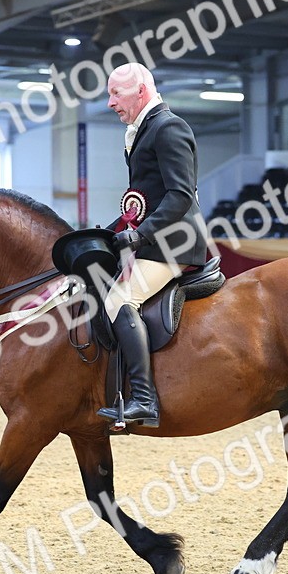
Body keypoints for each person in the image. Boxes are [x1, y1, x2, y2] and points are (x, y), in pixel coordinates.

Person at [98, 63, 209, 428]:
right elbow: (145, 200)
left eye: (116, 93)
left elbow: (179, 196)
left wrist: (141, 235)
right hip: (154, 241)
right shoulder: (143, 130)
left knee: (120, 299)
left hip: (175, 244)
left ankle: (144, 399)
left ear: (141, 92)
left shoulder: (168, 128)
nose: (110, 102)